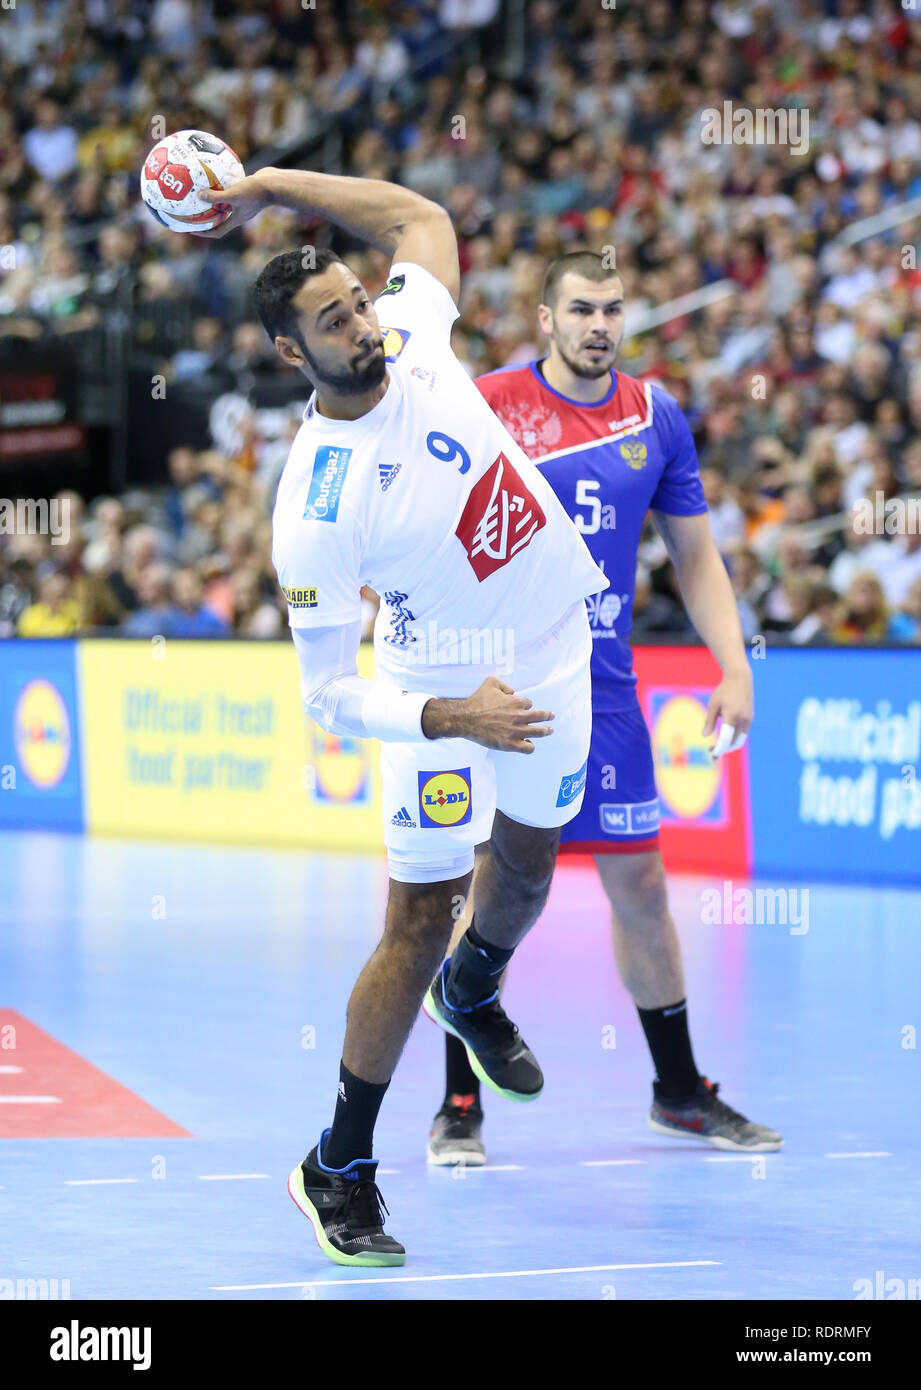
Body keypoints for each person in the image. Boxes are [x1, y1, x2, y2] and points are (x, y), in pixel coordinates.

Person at [200, 170, 607, 1266]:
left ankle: (477, 989)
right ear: (293, 355)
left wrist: (270, 185)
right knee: (419, 919)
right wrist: (450, 716)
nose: (362, 323)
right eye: (333, 321)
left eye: (358, 299)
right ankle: (338, 1163)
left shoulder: (417, 334)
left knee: (524, 867)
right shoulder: (317, 505)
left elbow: (422, 218)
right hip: (441, 683)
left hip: (556, 649)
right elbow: (327, 697)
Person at [426, 251, 783, 1166]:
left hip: (607, 687)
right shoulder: (489, 404)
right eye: (580, 309)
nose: (598, 325)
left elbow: (697, 560)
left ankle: (677, 1092)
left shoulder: (653, 416)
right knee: (477, 884)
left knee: (641, 886)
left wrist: (733, 668)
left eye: (613, 310)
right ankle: (459, 1101)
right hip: (499, 686)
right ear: (544, 318)